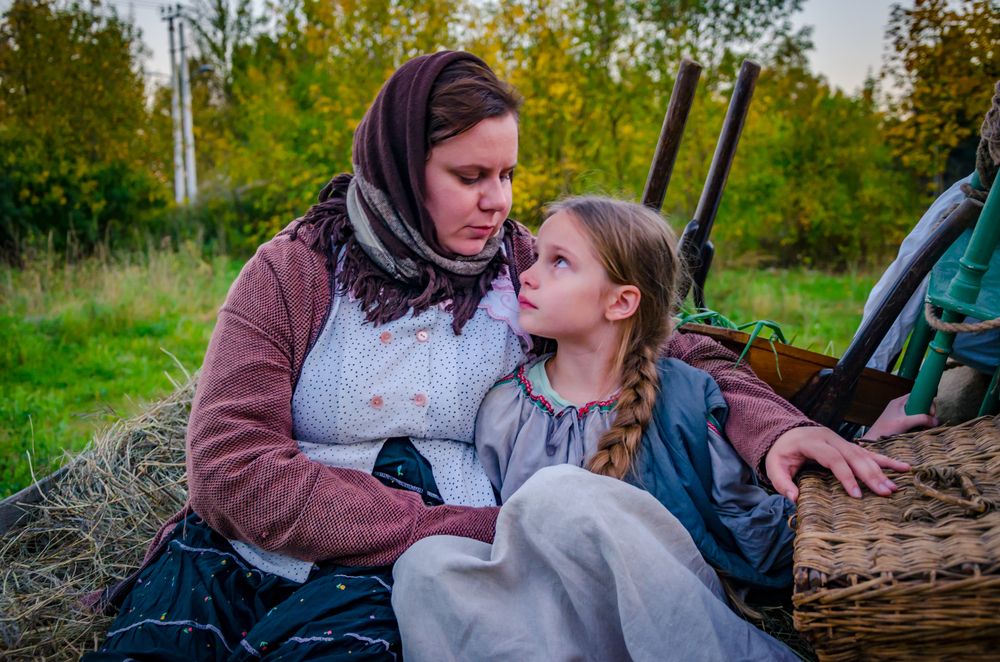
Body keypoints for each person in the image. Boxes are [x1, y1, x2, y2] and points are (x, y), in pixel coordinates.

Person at [84, 51, 910, 661]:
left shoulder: (519, 266)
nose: (498, 201)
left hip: (421, 563)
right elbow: (229, 465)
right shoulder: (295, 270)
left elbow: (669, 342)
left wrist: (773, 430)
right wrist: (437, 524)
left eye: (508, 173)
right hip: (259, 539)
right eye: (469, 174)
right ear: (405, 167)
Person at [391, 196, 922, 661]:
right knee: (426, 565)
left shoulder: (682, 399)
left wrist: (867, 444)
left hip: (662, 614)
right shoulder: (505, 406)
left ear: (620, 301)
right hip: (549, 615)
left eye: (558, 263)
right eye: (535, 259)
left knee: (558, 495)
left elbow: (752, 523)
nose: (526, 275)